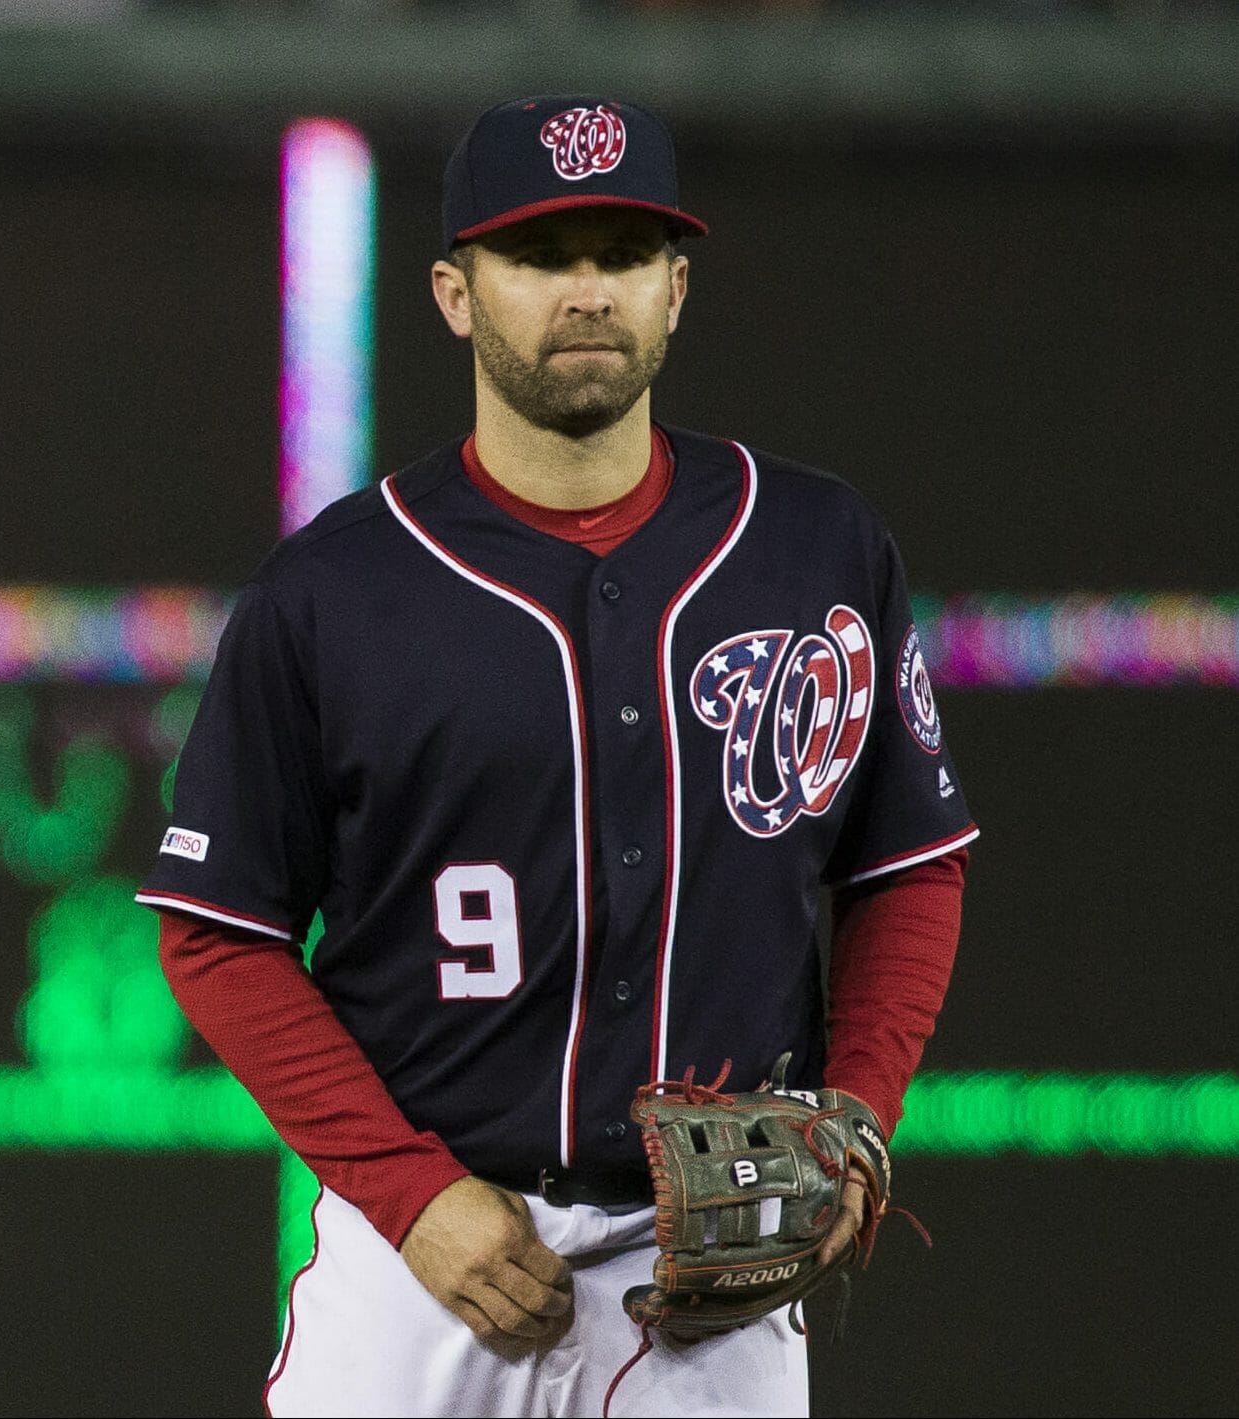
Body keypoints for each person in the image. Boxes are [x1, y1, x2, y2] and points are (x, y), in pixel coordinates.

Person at [137, 96, 975, 1417]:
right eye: (539, 255)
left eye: (622, 253)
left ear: (676, 289)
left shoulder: (815, 550)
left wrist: (860, 1120)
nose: (586, 291)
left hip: (713, 1269)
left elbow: (908, 868)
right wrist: (411, 1198)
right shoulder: (334, 591)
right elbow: (218, 934)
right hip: (419, 1258)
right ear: (456, 293)